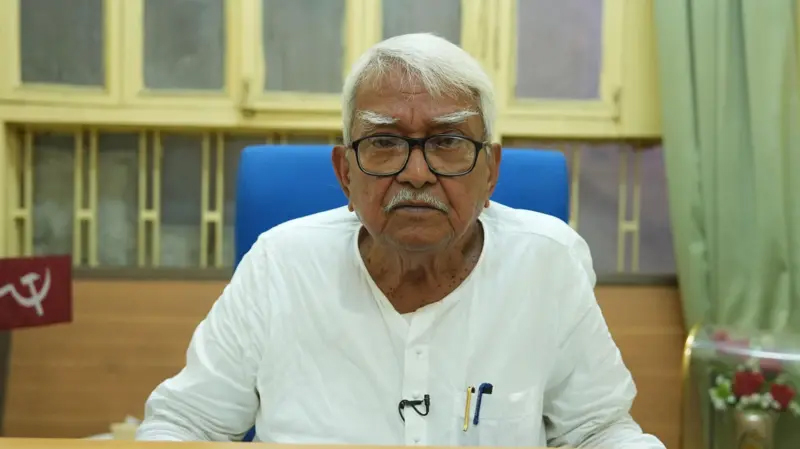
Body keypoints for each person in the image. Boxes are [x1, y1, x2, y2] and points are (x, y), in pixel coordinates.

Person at [135, 33, 665, 448]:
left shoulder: (546, 262)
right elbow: (184, 423)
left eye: (448, 141)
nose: (416, 174)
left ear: (491, 172)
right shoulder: (281, 264)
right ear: (345, 173)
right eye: (385, 142)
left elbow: (598, 431)